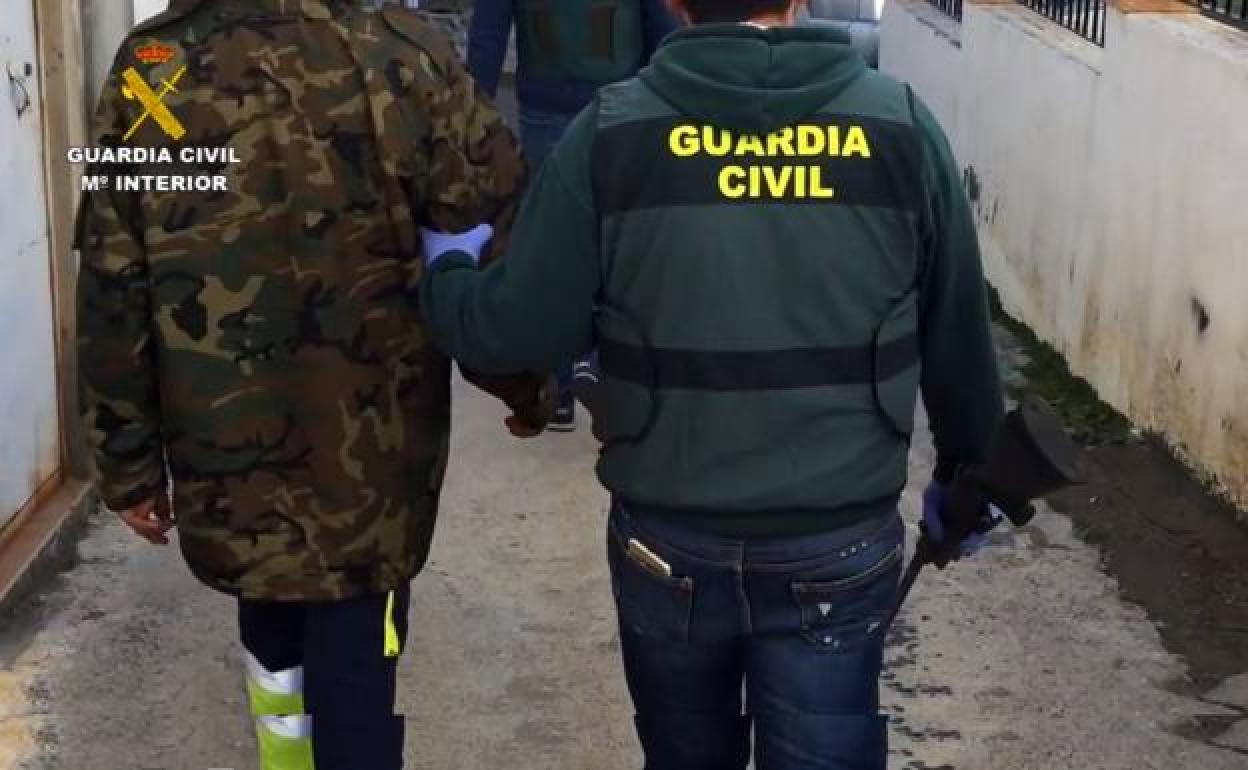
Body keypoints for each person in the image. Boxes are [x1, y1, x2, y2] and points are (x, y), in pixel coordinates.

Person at [420, 0, 1004, 767]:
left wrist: (449, 271)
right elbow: (957, 329)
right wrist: (970, 475)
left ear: (674, 3)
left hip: (669, 539)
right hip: (835, 540)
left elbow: (515, 328)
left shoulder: (613, 133)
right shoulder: (899, 126)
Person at [75, 2, 548, 769]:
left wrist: (123, 456)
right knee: (357, 659)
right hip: (373, 454)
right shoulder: (407, 55)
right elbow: (490, 244)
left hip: (224, 448)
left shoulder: (152, 68)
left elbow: (112, 271)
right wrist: (527, 385)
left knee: (271, 631)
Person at [467, 0, 678, 432]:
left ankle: (559, 388)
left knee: (554, 250)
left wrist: (474, 115)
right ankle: (616, 380)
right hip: (624, 105)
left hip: (553, 106)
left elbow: (488, 33)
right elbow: (663, 27)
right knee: (621, 249)